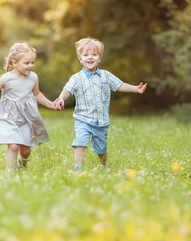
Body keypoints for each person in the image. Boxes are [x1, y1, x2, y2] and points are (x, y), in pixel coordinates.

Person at [54, 37, 148, 170]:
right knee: (80, 141)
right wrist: (60, 99)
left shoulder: (106, 75)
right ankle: (77, 166)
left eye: (94, 54)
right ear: (81, 59)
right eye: (86, 55)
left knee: (101, 149)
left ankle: (103, 165)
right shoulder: (76, 78)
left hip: (101, 121)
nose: (90, 57)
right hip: (83, 119)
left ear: (99, 58)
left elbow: (119, 85)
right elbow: (67, 90)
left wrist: (135, 89)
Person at [0, 41, 55, 171]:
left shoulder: (33, 78)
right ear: (14, 63)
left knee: (25, 152)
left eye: (32, 62)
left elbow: (37, 94)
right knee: (14, 146)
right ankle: (10, 173)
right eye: (26, 63)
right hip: (7, 117)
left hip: (26, 118)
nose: (30, 66)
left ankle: (22, 166)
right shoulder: (5, 79)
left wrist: (51, 104)